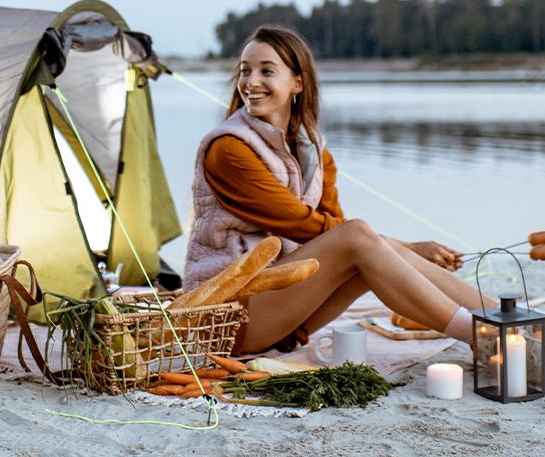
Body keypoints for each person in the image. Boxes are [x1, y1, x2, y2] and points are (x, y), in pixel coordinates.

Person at [184, 25, 494, 355]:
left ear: (297, 83)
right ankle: (480, 336)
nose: (251, 82)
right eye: (245, 71)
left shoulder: (313, 151)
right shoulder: (228, 150)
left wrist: (391, 248)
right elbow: (302, 225)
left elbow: (339, 232)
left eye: (266, 71)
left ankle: (510, 319)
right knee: (362, 237)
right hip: (225, 319)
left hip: (287, 311)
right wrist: (409, 247)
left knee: (366, 248)